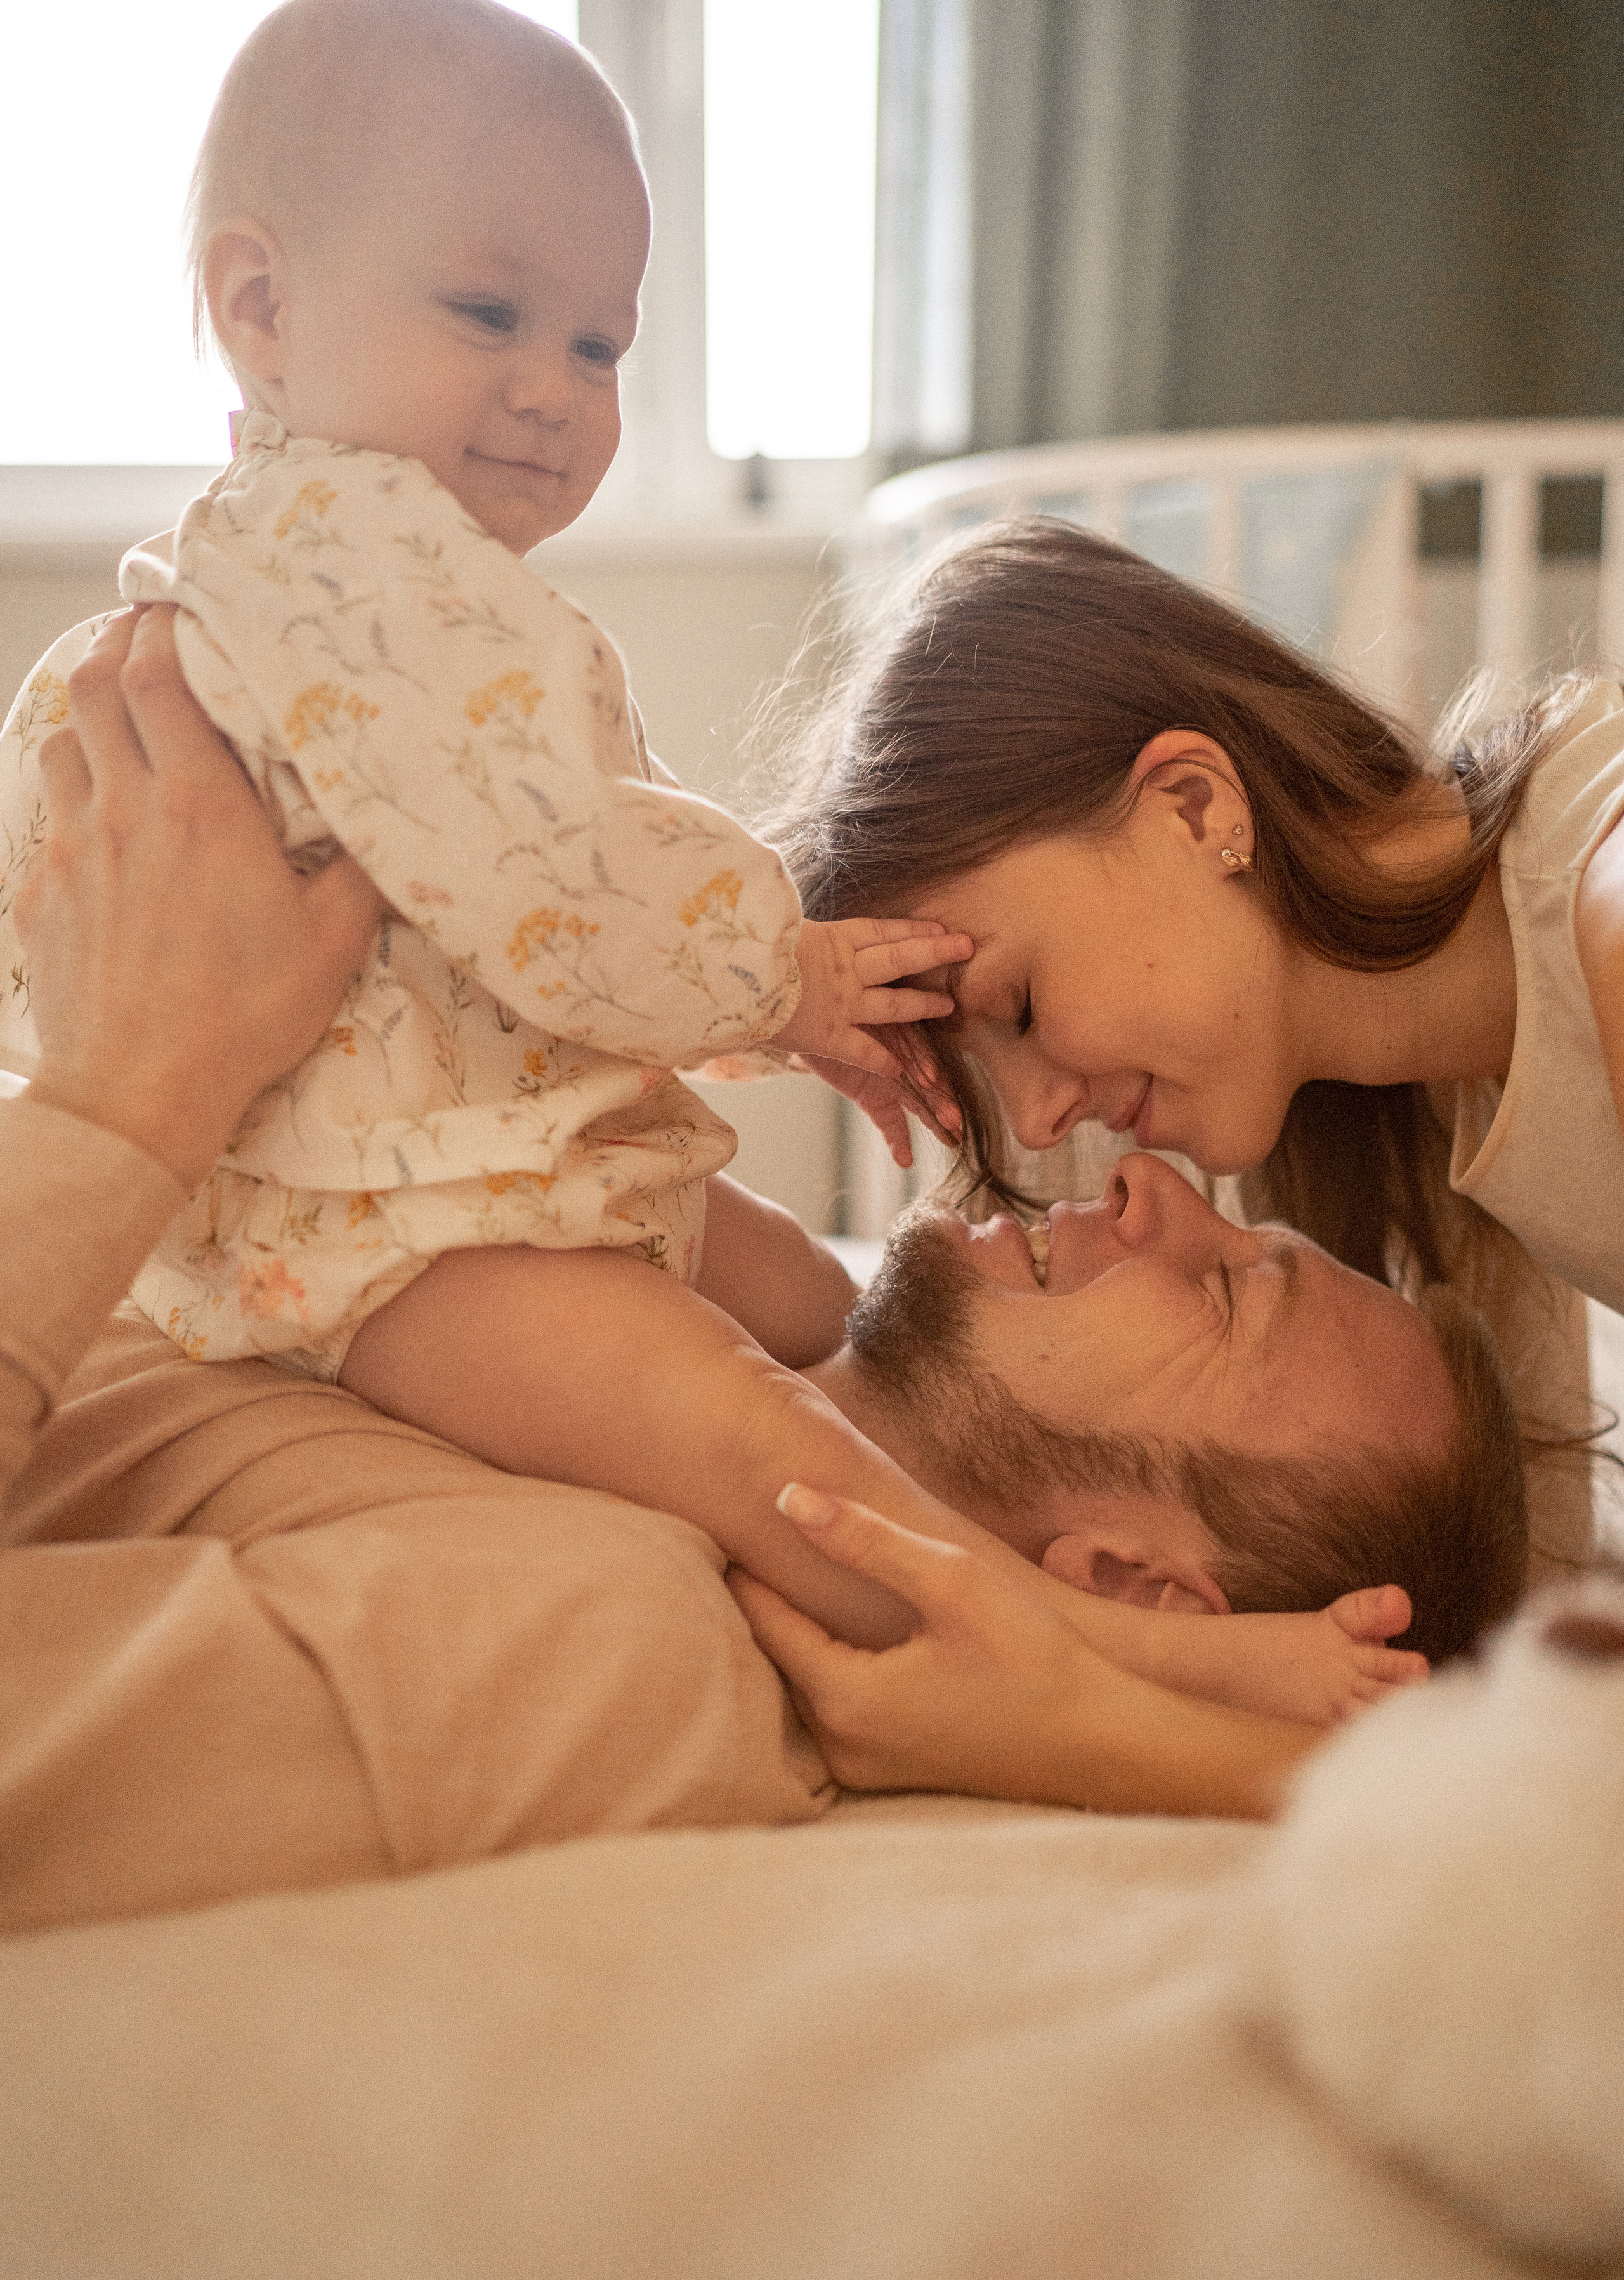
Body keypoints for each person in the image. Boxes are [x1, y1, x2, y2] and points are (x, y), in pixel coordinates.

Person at [0, 613, 1526, 1930]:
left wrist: (124, 1101)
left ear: (1130, 1582)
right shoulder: (747, 1294)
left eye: (1219, 1291)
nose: (1150, 1188)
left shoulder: (625, 1633)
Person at [0, 0, 962, 1376]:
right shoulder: (351, 570)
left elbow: (582, 819)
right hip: (382, 1201)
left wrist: (732, 996)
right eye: (489, 313)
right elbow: (553, 857)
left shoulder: (299, 566)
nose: (552, 391)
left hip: (438, 1140)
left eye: (598, 345)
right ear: (265, 309)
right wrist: (774, 975)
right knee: (769, 1372)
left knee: (820, 1298)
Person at [775, 516, 1624, 1367]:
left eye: (1021, 1006)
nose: (1035, 1126)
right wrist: (773, 997)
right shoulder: (1416, 1098)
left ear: (1193, 807)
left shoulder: (1604, 891)